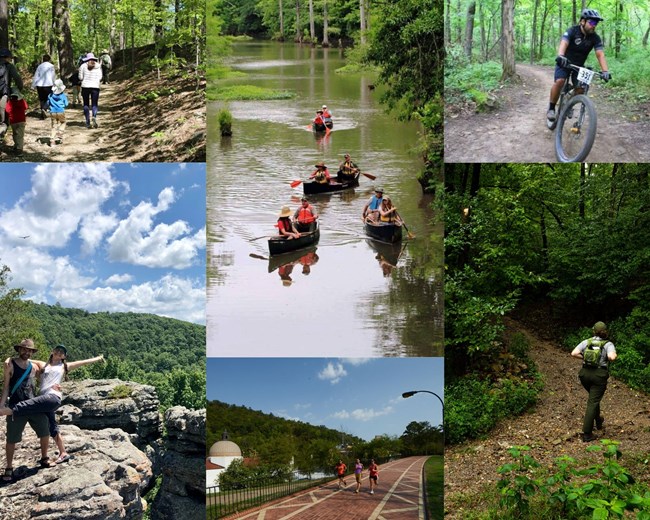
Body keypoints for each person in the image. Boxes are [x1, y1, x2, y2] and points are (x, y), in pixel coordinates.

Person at [0, 345, 104, 465]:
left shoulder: (64, 366)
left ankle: (10, 410)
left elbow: (82, 363)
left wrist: (98, 358)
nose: (59, 353)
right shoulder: (43, 364)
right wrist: (8, 359)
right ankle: (63, 452)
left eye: (62, 352)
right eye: (57, 350)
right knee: (52, 426)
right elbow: (25, 358)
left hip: (51, 398)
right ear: (52, 352)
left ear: (64, 356)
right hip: (44, 400)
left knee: (29, 406)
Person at [0, 339, 53, 481]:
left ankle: (44, 458)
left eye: (29, 350)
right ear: (18, 350)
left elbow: (47, 366)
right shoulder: (10, 365)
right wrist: (2, 406)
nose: (26, 352)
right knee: (11, 438)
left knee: (44, 430)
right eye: (24, 349)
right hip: (16, 407)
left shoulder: (33, 366)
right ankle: (9, 467)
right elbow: (6, 387)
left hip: (32, 404)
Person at [547, 9, 610, 122]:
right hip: (564, 62)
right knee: (560, 81)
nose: (594, 26)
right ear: (582, 21)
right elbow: (564, 43)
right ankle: (551, 108)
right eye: (591, 22)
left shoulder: (595, 38)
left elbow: (600, 54)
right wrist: (561, 56)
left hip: (579, 66)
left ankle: (568, 103)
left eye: (596, 23)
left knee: (581, 89)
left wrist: (605, 71)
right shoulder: (572, 31)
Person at [571, 321, 617, 442]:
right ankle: (587, 434)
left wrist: (585, 357)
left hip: (584, 374)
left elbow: (574, 353)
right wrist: (609, 357)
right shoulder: (608, 344)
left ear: (593, 331)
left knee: (593, 399)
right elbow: (612, 357)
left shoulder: (587, 342)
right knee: (592, 402)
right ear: (605, 331)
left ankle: (598, 420)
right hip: (599, 375)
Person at [0, 48, 24, 140]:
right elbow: (17, 78)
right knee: (3, 121)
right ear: (7, 57)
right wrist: (19, 90)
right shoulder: (9, 66)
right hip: (3, 95)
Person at [79, 52, 103, 129]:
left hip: (85, 86)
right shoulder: (98, 66)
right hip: (95, 86)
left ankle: (87, 121)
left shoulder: (82, 66)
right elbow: (100, 77)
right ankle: (94, 116)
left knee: (86, 104)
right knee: (94, 104)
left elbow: (80, 77)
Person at [5, 86, 28, 158]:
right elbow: (26, 107)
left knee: (15, 133)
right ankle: (19, 150)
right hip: (21, 120)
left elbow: (7, 110)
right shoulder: (22, 101)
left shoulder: (10, 102)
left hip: (13, 120)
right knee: (20, 135)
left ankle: (16, 146)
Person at [31, 54, 56, 120]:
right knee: (50, 98)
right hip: (48, 84)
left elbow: (36, 76)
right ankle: (44, 108)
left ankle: (42, 115)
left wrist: (33, 85)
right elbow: (53, 76)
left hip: (40, 85)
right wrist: (54, 84)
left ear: (43, 59)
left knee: (42, 99)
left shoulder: (39, 66)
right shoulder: (51, 66)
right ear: (49, 59)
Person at [48, 79, 69, 145]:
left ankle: (52, 140)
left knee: (53, 126)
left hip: (52, 112)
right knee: (63, 122)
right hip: (60, 111)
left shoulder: (50, 95)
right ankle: (60, 132)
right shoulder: (63, 95)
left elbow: (48, 103)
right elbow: (66, 104)